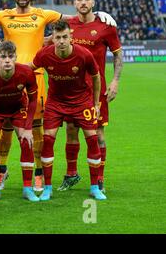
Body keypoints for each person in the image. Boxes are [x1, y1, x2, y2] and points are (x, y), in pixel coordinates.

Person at [0, 0, 117, 192]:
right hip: (10, 76)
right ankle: (2, 171)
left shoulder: (43, 14)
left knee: (37, 131)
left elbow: (74, 19)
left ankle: (38, 175)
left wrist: (100, 15)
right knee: (5, 129)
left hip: (36, 78)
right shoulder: (2, 15)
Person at [28, 20, 106, 201]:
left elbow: (96, 77)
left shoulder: (84, 54)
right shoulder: (44, 55)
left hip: (82, 102)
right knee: (48, 140)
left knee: (92, 140)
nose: (61, 41)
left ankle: (95, 187)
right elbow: (29, 70)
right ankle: (47, 188)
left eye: (64, 37)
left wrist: (95, 103)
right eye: (58, 38)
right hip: (55, 102)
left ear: (71, 38)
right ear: (52, 39)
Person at [57, 0, 123, 193]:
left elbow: (118, 55)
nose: (83, 2)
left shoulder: (106, 26)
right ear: (74, 3)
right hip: (71, 89)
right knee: (70, 130)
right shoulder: (67, 26)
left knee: (97, 133)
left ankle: (100, 178)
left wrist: (115, 81)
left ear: (93, 2)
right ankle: (71, 174)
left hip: (96, 89)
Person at [0, 41, 39, 202]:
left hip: (18, 108)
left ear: (15, 57)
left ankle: (27, 188)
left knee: (27, 141)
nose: (7, 60)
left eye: (10, 57)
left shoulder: (26, 72)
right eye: (3, 57)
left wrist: (28, 127)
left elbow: (33, 101)